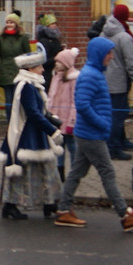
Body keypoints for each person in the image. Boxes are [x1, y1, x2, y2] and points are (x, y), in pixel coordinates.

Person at [54, 37, 133, 231]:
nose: (111, 56)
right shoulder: (91, 75)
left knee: (77, 172)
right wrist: (102, 124)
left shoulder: (94, 73)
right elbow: (82, 104)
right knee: (107, 172)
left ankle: (63, 210)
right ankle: (125, 214)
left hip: (87, 133)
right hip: (91, 134)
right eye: (108, 53)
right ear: (99, 54)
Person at [0, 50, 63, 220]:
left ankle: (49, 203)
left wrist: (52, 119)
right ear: (31, 68)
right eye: (39, 66)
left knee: (45, 168)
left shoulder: (33, 84)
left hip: (35, 132)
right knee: (25, 171)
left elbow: (38, 110)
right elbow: (32, 113)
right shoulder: (26, 86)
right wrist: (52, 130)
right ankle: (11, 205)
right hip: (26, 134)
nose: (42, 69)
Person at [101, 4, 133, 160]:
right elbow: (131, 64)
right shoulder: (124, 37)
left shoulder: (103, 33)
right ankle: (113, 148)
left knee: (113, 114)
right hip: (119, 82)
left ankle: (121, 140)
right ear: (126, 17)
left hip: (105, 81)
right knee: (118, 116)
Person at [47, 47, 80, 182]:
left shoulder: (74, 79)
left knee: (72, 146)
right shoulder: (56, 77)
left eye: (59, 62)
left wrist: (72, 121)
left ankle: (74, 171)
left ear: (66, 63)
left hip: (68, 119)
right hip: (57, 118)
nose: (56, 64)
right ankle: (59, 170)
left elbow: (75, 102)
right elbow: (51, 96)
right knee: (59, 145)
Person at [0, 13, 30, 120]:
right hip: (6, 71)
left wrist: (24, 67)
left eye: (11, 22)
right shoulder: (1, 38)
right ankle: (10, 121)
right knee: (9, 99)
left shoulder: (23, 37)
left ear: (16, 24)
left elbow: (27, 53)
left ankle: (20, 120)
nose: (9, 24)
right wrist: (0, 65)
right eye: (7, 22)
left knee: (19, 98)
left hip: (19, 71)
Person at [36, 13, 63, 91]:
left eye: (55, 23)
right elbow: (44, 60)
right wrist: (57, 58)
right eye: (52, 24)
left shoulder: (55, 39)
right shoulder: (44, 41)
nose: (54, 26)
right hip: (47, 75)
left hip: (55, 73)